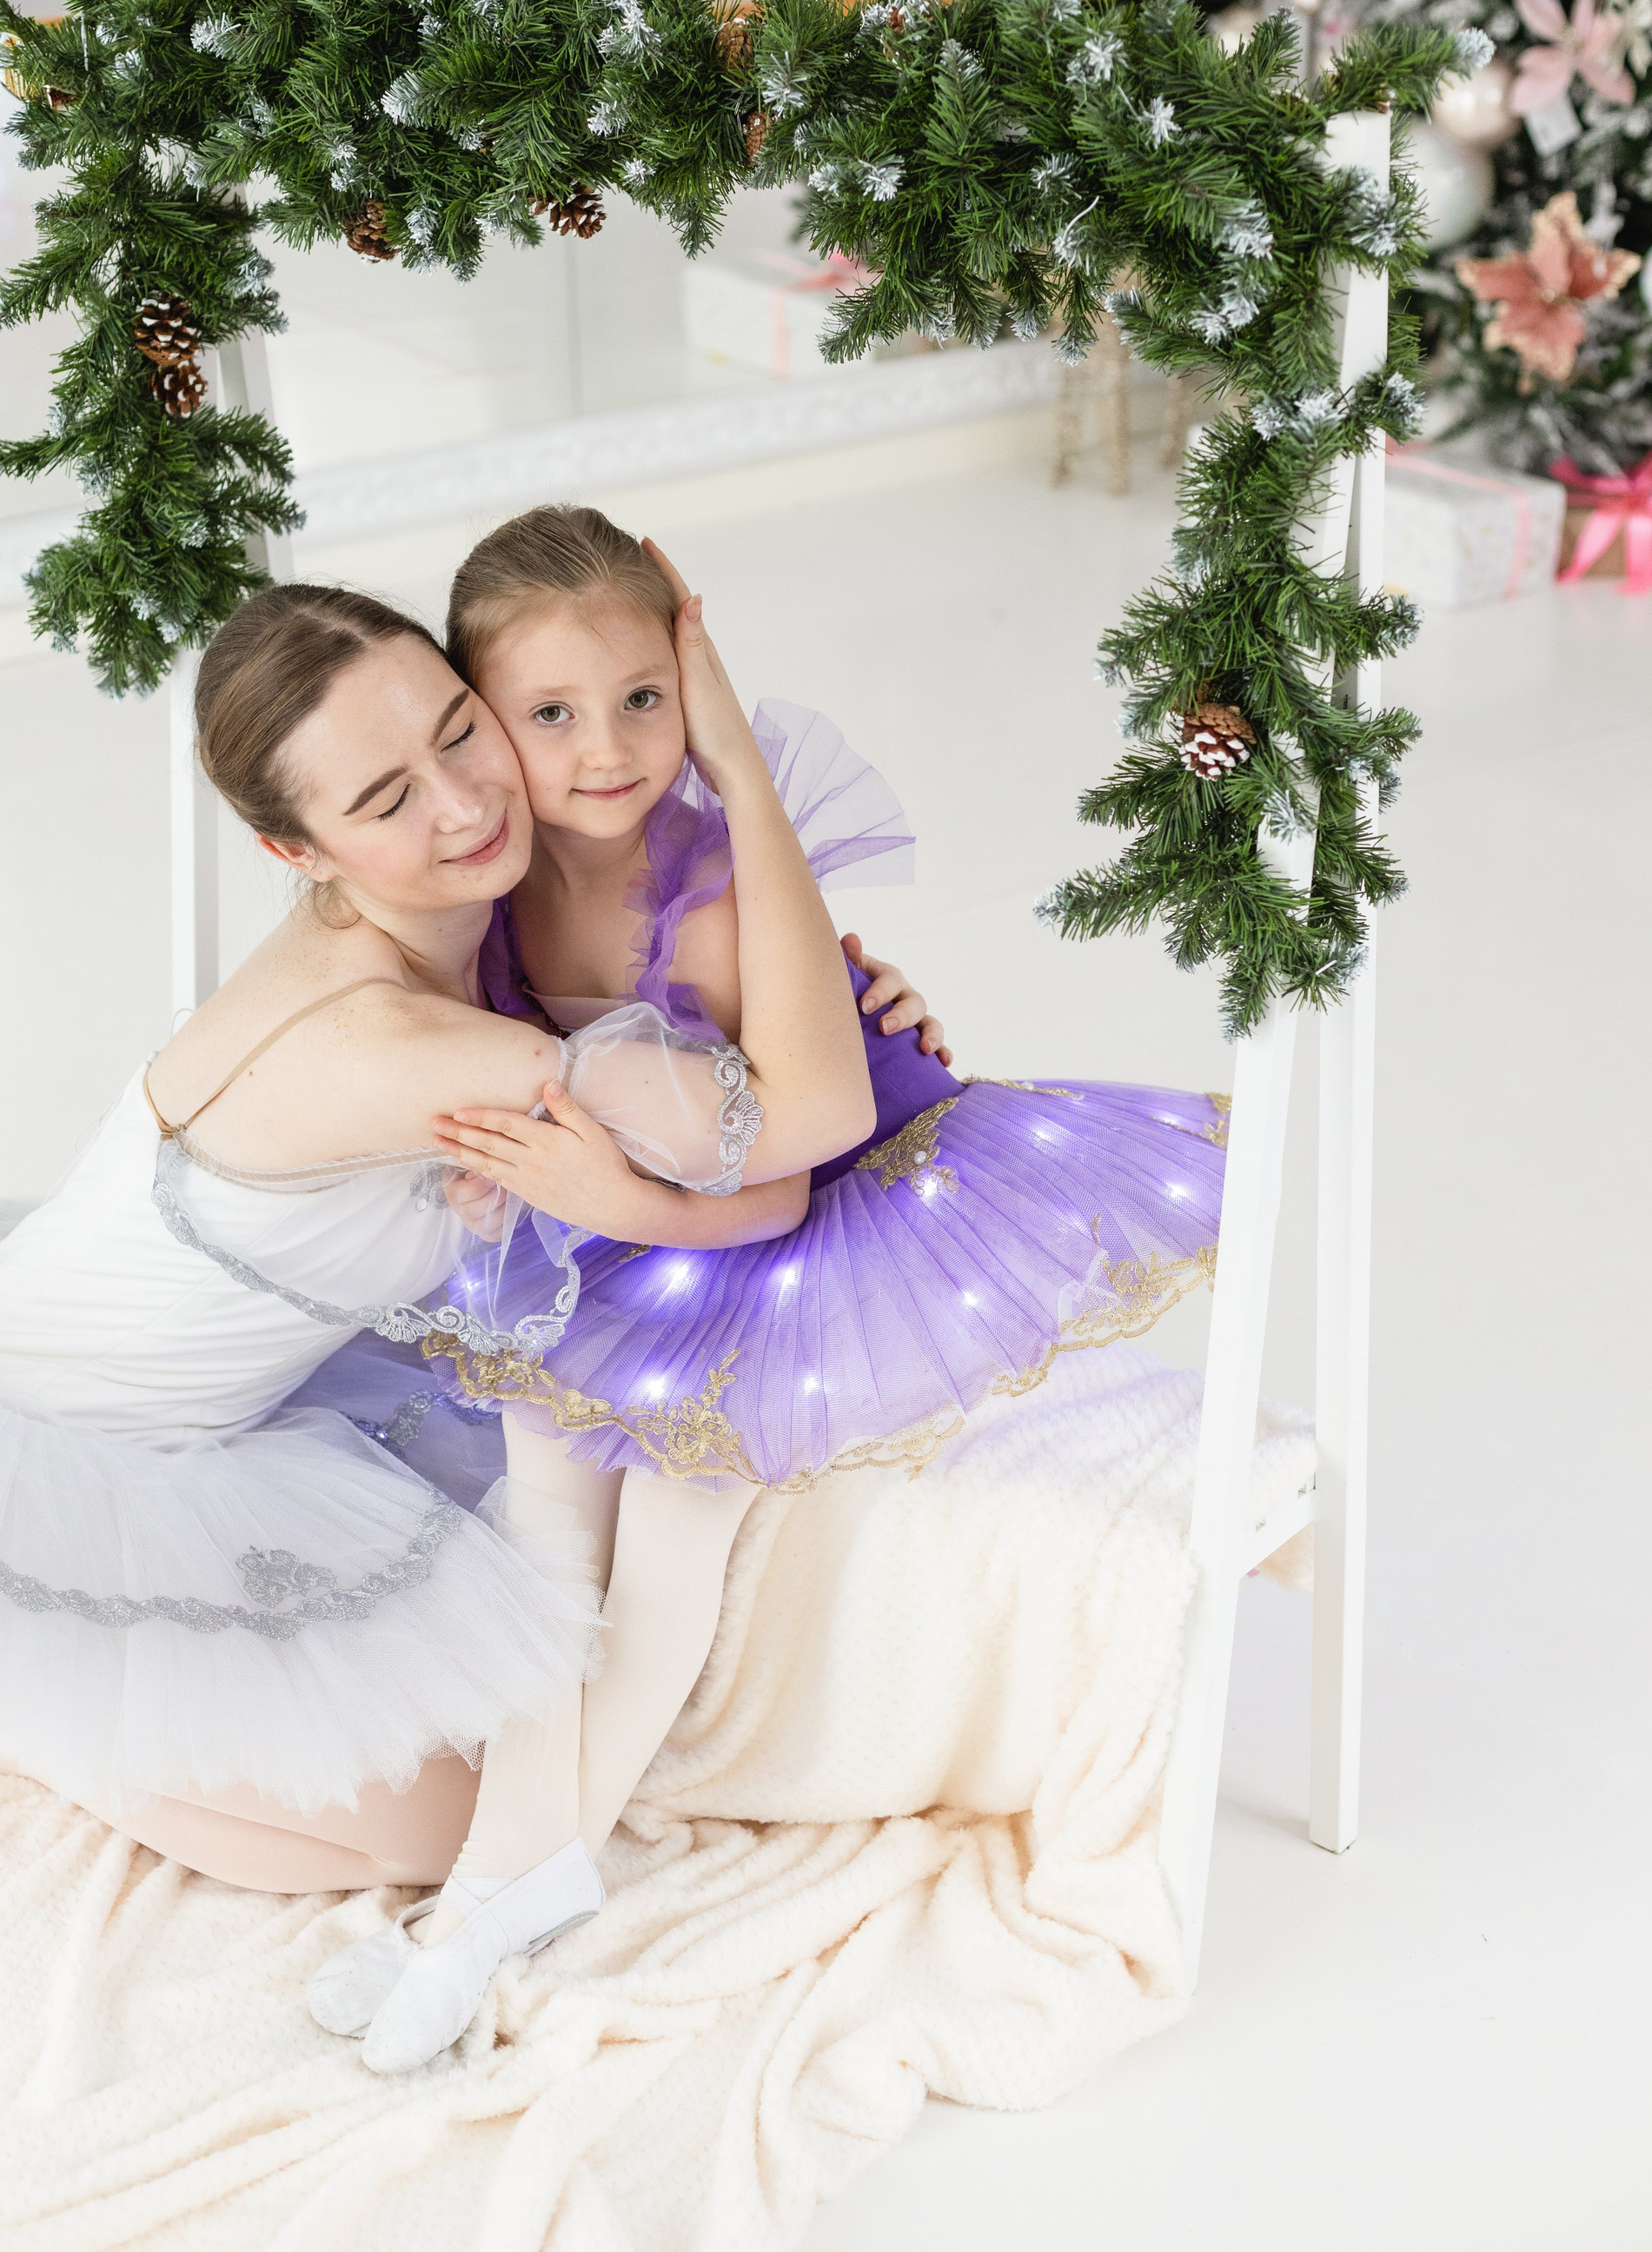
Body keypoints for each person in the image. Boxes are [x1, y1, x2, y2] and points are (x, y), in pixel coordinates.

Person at [311, 508, 1228, 2069]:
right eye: (550, 714)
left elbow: (790, 1166)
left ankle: (497, 1913)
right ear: (482, 725)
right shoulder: (486, 886)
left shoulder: (719, 889)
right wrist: (506, 1176)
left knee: (669, 1549)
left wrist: (730, 752)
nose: (609, 750)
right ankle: (479, 1897)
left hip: (796, 1219)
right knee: (546, 1543)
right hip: (627, 1213)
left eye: (645, 699)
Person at [0, 573, 882, 2068]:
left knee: (478, 1782)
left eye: (461, 731)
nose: (467, 803)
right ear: (299, 852)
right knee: (440, 1827)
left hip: (182, 1403)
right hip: (62, 1459)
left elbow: (684, 1016)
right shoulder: (395, 1038)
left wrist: (842, 979)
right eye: (387, 796)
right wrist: (747, 799)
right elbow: (805, 1123)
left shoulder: (463, 928)